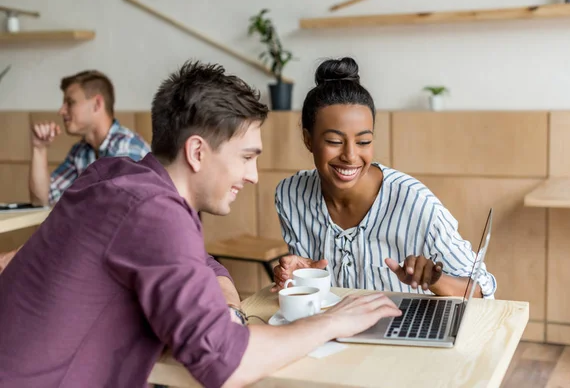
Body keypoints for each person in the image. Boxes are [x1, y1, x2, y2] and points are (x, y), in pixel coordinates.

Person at [0, 60, 401, 388]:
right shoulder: (153, 211)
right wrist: (333, 320)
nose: (254, 175)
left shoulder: (115, 175)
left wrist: (229, 308)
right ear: (196, 152)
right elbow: (224, 363)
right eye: (246, 157)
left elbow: (201, 262)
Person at [272, 57, 497, 299]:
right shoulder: (290, 195)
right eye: (334, 142)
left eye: (364, 142)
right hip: (329, 331)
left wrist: (435, 280)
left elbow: (483, 289)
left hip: (399, 333)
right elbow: (311, 288)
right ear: (308, 140)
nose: (350, 155)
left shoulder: (416, 203)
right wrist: (295, 277)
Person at [0, 70, 150, 274]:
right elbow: (43, 198)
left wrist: (23, 253)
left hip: (127, 259)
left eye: (69, 102)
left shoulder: (126, 150)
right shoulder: (81, 151)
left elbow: (103, 223)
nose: (61, 110)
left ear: (97, 104)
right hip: (93, 252)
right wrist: (39, 149)